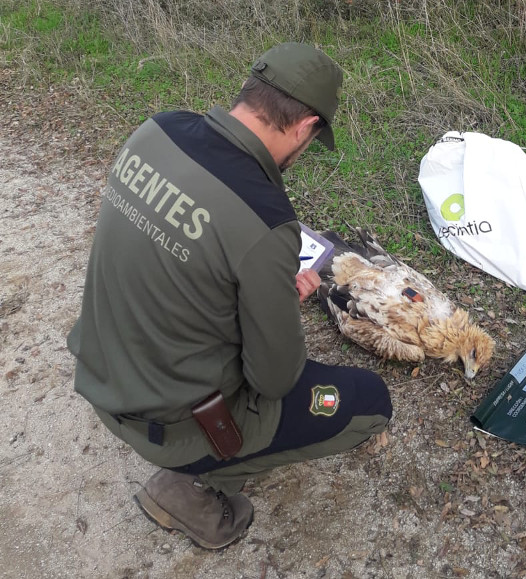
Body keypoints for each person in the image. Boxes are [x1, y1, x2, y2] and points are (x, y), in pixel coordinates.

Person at [66, 42, 393, 550]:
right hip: (167, 422)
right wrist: (279, 299)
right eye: (309, 142)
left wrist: (252, 282)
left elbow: (184, 261)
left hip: (100, 371)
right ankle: (190, 485)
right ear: (306, 127)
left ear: (251, 91)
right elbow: (275, 377)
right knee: (369, 402)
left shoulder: (157, 130)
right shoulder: (266, 221)